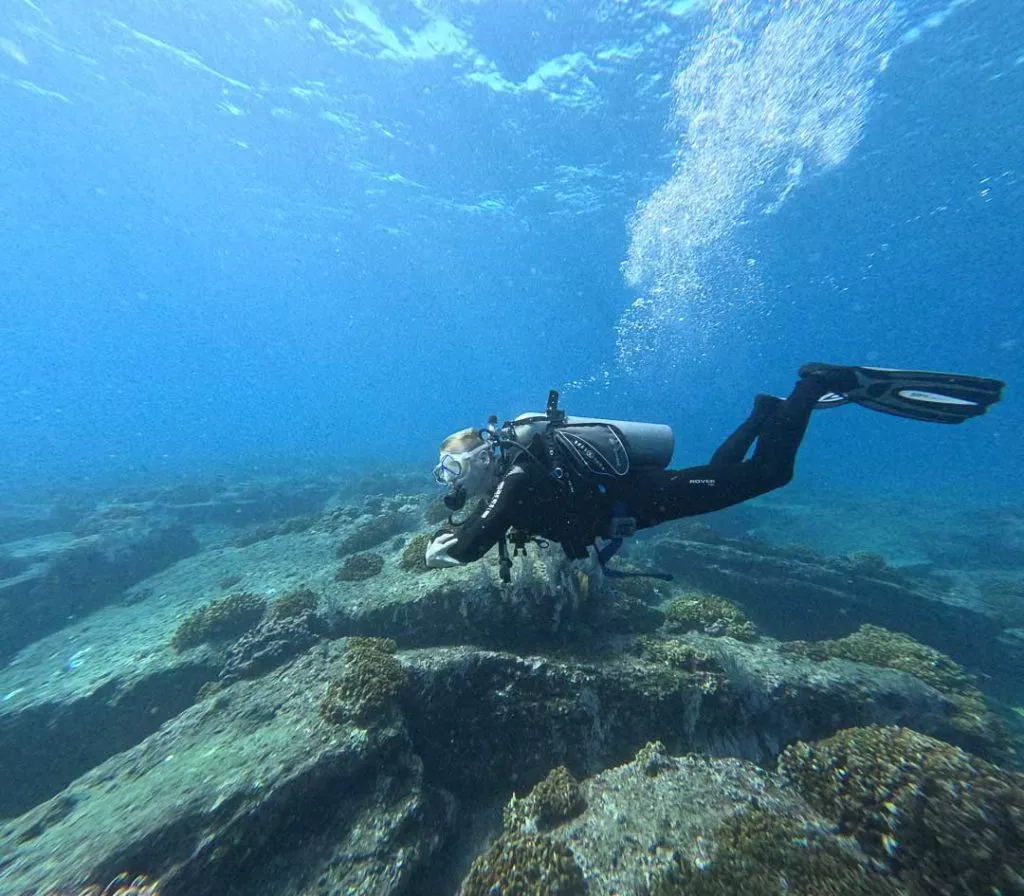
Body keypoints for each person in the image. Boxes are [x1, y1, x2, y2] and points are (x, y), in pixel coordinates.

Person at [424, 362, 1005, 578]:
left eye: (453, 468)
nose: (451, 482)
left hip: (645, 500)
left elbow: (474, 543)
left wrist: (442, 549)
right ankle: (762, 413)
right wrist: (457, 524)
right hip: (643, 503)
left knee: (769, 476)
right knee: (717, 479)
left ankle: (814, 384)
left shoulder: (518, 475)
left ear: (480, 457)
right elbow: (480, 520)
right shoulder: (512, 477)